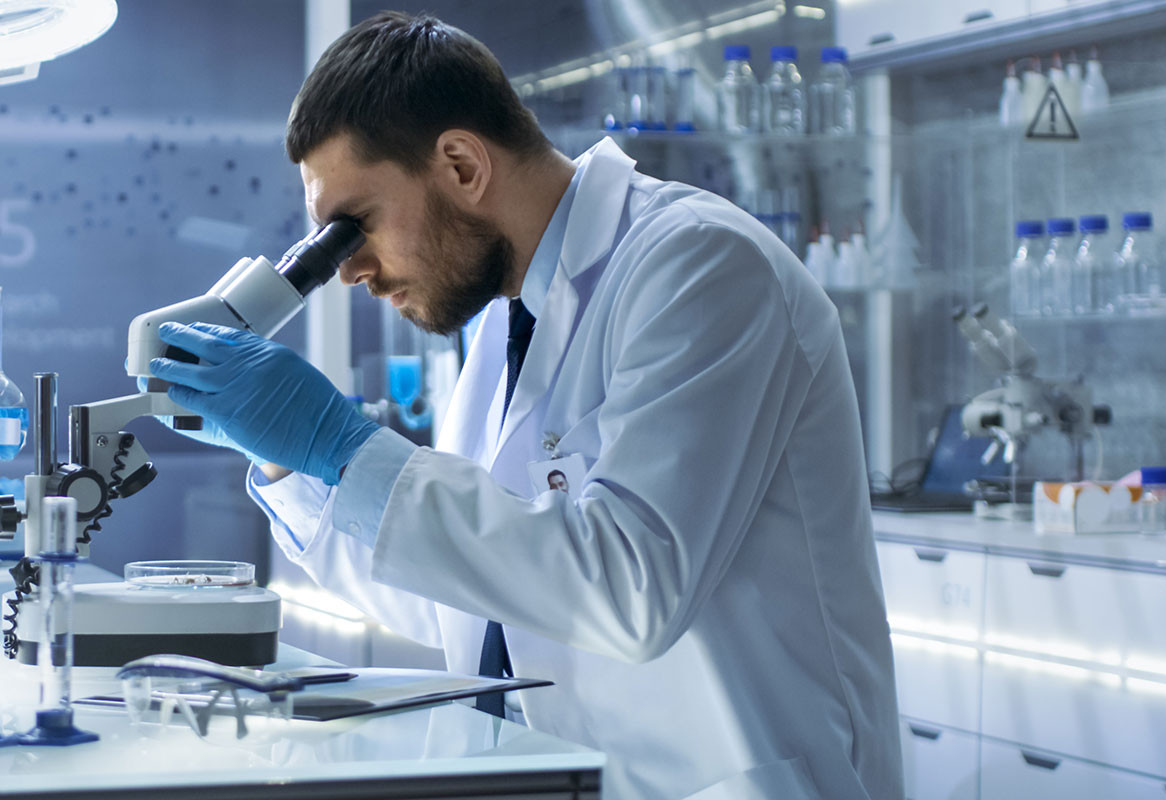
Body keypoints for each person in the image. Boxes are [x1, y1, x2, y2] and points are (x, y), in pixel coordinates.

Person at [145, 12, 900, 800]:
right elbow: (465, 595)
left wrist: (341, 443)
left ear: (463, 165)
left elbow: (630, 592)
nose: (348, 271)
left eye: (353, 227)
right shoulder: (509, 317)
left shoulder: (703, 264)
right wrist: (283, 455)